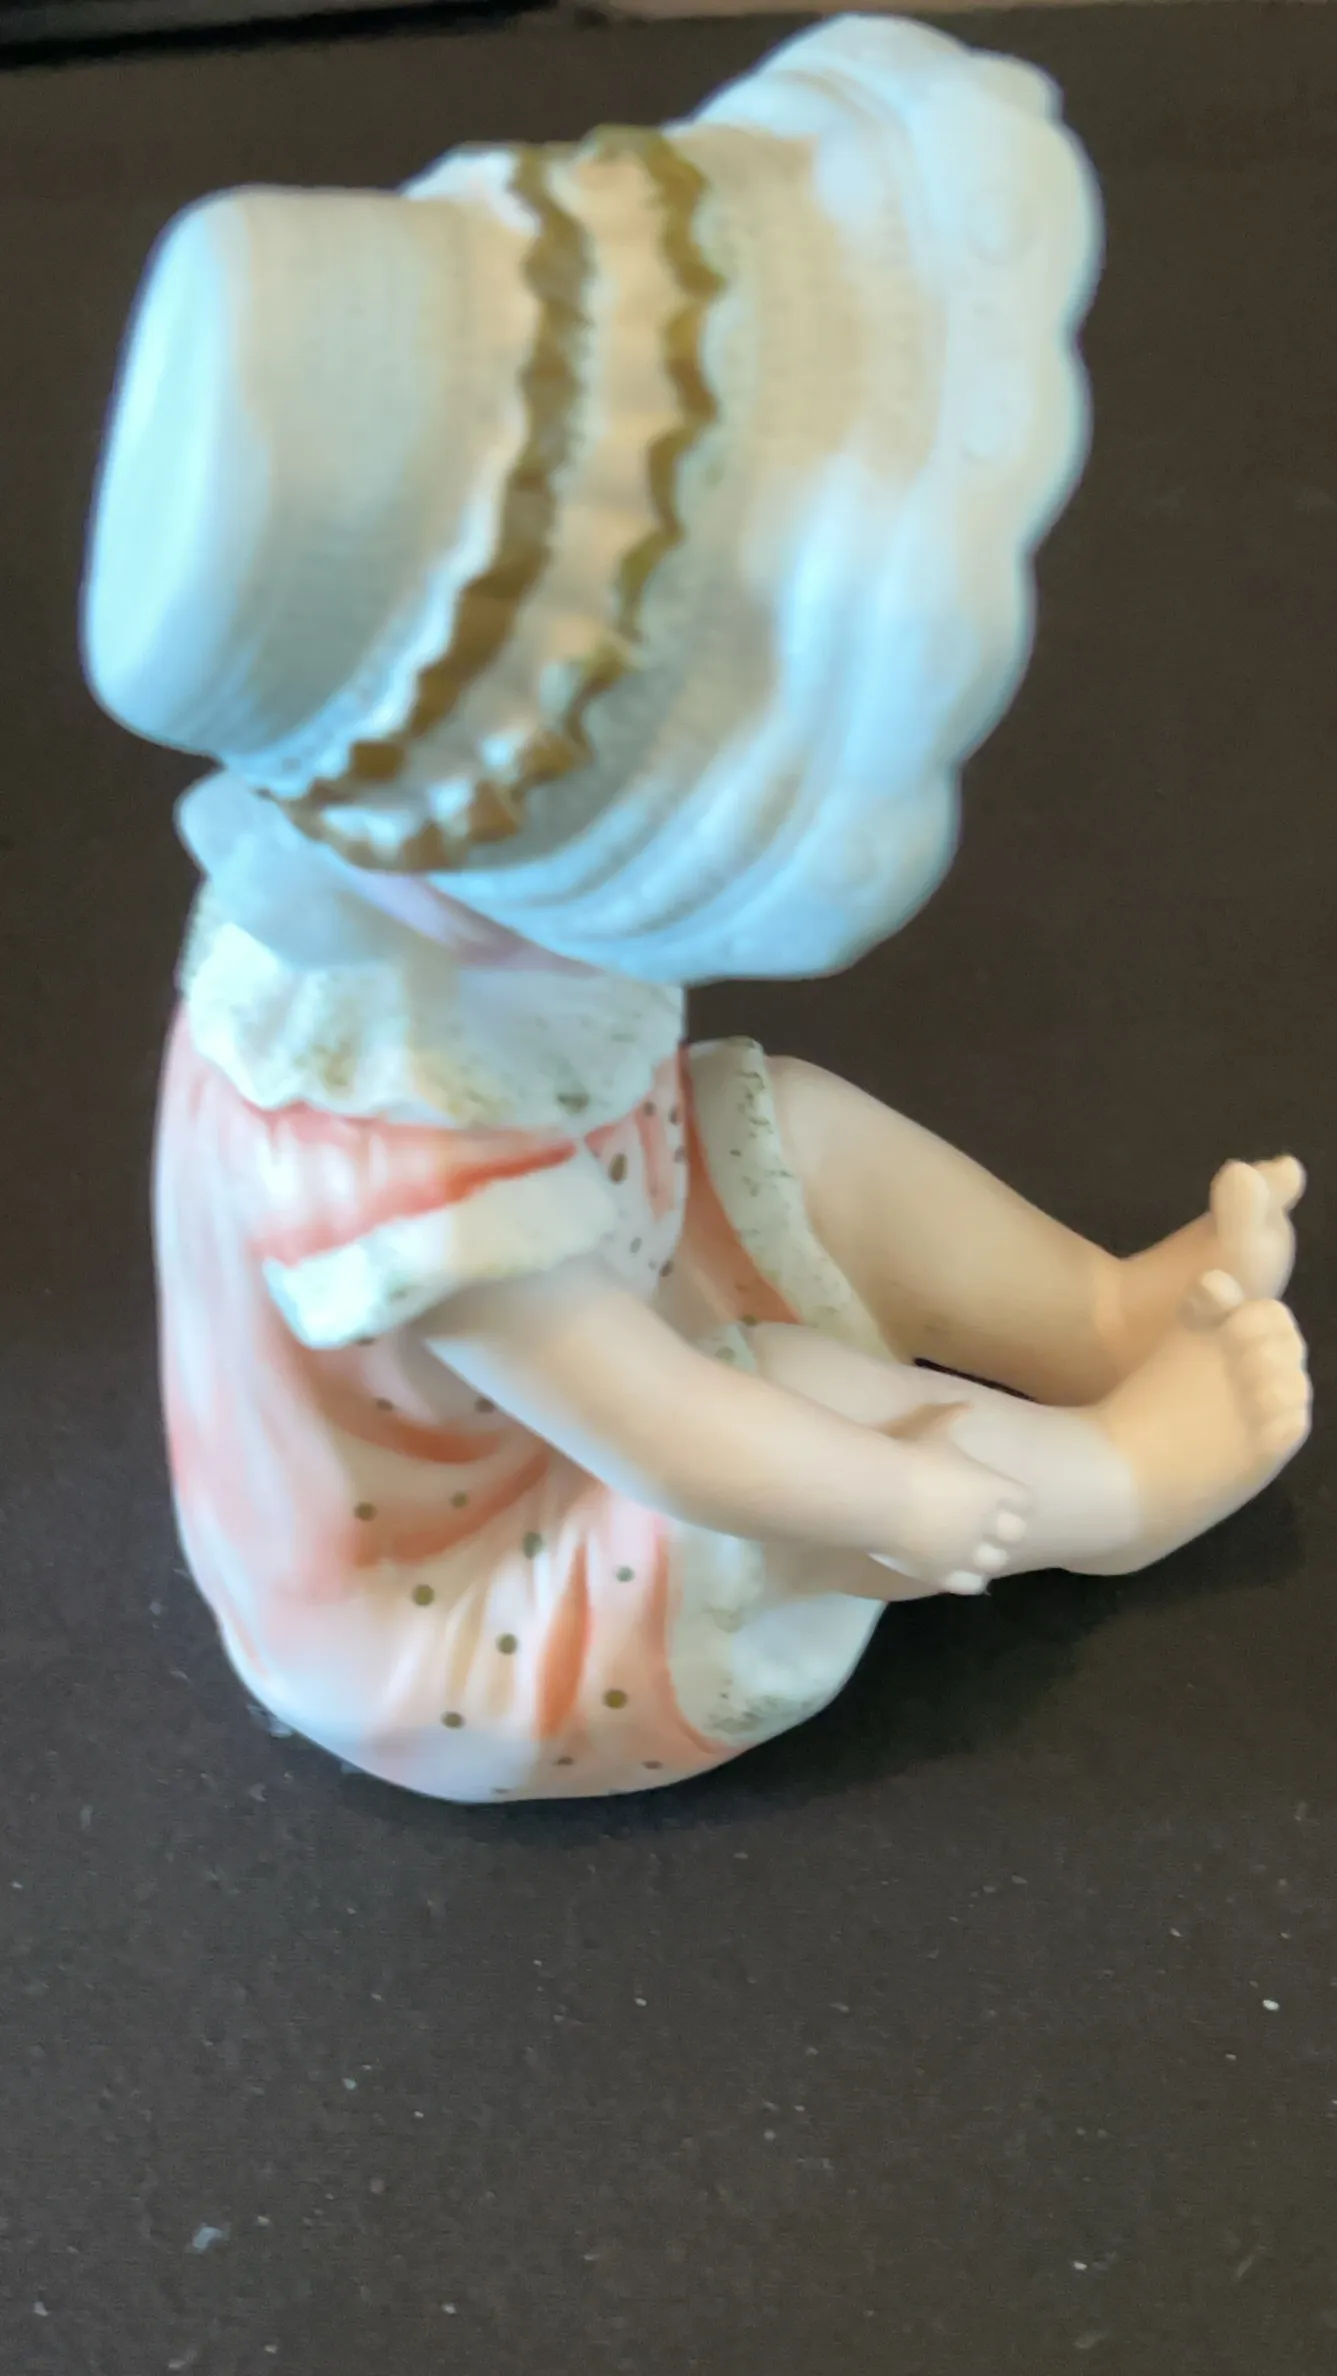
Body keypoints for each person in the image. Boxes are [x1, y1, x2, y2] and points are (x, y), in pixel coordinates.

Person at [84, 17, 1309, 1800]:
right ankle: (1111, 1492)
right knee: (786, 1394)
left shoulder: (421, 908)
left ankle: (1102, 1312)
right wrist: (909, 1502)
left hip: (601, 1280)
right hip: (482, 1580)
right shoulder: (388, 1140)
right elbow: (665, 1432)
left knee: (786, 1123)